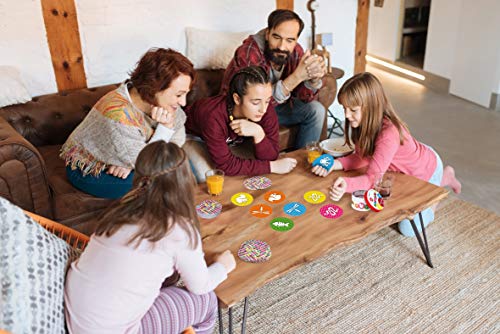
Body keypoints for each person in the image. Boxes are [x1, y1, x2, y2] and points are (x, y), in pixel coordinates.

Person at [64, 141, 236, 334]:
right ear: (185, 180)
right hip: (115, 330)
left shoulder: (119, 211)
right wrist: (223, 266)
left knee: (168, 281)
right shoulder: (179, 229)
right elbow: (200, 286)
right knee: (207, 302)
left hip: (78, 318)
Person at [312, 72, 462, 237]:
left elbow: (372, 180)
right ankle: (441, 180)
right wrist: (334, 164)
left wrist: (346, 185)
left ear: (371, 107)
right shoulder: (365, 123)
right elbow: (361, 157)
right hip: (403, 167)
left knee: (407, 229)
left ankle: (440, 184)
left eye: (352, 110)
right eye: (344, 109)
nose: (346, 115)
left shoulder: (389, 134)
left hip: (425, 170)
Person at [60, 48, 195, 199]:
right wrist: (166, 128)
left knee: (187, 170)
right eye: (179, 95)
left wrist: (129, 163)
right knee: (161, 184)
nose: (183, 102)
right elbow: (148, 165)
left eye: (185, 94)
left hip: (133, 156)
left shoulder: (166, 103)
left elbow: (178, 140)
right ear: (154, 87)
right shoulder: (118, 115)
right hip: (90, 169)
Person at [221, 9, 327, 149]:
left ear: (296, 39)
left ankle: (303, 160)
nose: (282, 46)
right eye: (276, 37)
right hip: (244, 110)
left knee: (316, 110)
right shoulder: (248, 52)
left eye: (290, 40)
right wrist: (297, 76)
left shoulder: (295, 51)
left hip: (274, 108)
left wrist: (313, 80)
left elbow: (303, 98)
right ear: (267, 34)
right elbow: (254, 101)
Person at [185, 66, 297, 181]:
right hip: (194, 137)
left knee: (251, 168)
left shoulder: (265, 108)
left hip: (230, 141)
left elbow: (271, 155)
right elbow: (226, 166)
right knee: (211, 176)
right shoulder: (212, 116)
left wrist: (258, 133)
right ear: (237, 99)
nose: (263, 109)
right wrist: (272, 167)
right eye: (255, 102)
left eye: (267, 101)